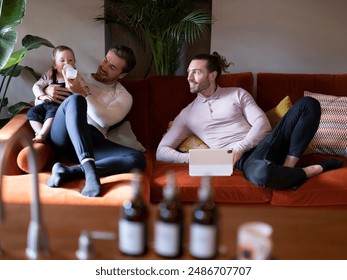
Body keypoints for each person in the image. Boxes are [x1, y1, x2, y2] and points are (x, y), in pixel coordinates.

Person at [156, 52, 343, 190]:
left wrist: (239, 148)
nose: (188, 77)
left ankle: (288, 168)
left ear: (212, 75)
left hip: (267, 144)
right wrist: (192, 159)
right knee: (262, 174)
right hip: (246, 161)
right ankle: (315, 169)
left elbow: (263, 124)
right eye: (189, 72)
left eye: (196, 72)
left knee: (308, 104)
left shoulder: (237, 93)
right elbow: (161, 152)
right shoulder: (187, 114)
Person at [42, 45, 146, 197]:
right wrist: (46, 91)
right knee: (75, 100)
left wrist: (83, 93)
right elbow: (43, 103)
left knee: (137, 159)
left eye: (112, 67)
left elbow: (104, 120)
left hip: (92, 140)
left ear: (122, 75)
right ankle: (91, 174)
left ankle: (70, 171)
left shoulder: (123, 96)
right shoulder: (78, 77)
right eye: (105, 60)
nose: (104, 67)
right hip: (64, 135)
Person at [27, 45, 76, 142]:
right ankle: (41, 133)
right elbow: (37, 86)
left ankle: (42, 134)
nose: (66, 63)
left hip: (60, 107)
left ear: (74, 63)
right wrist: (42, 96)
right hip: (47, 103)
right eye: (62, 60)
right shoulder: (49, 75)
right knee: (32, 112)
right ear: (54, 64)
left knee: (53, 111)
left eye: (70, 60)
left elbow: (83, 90)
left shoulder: (76, 77)